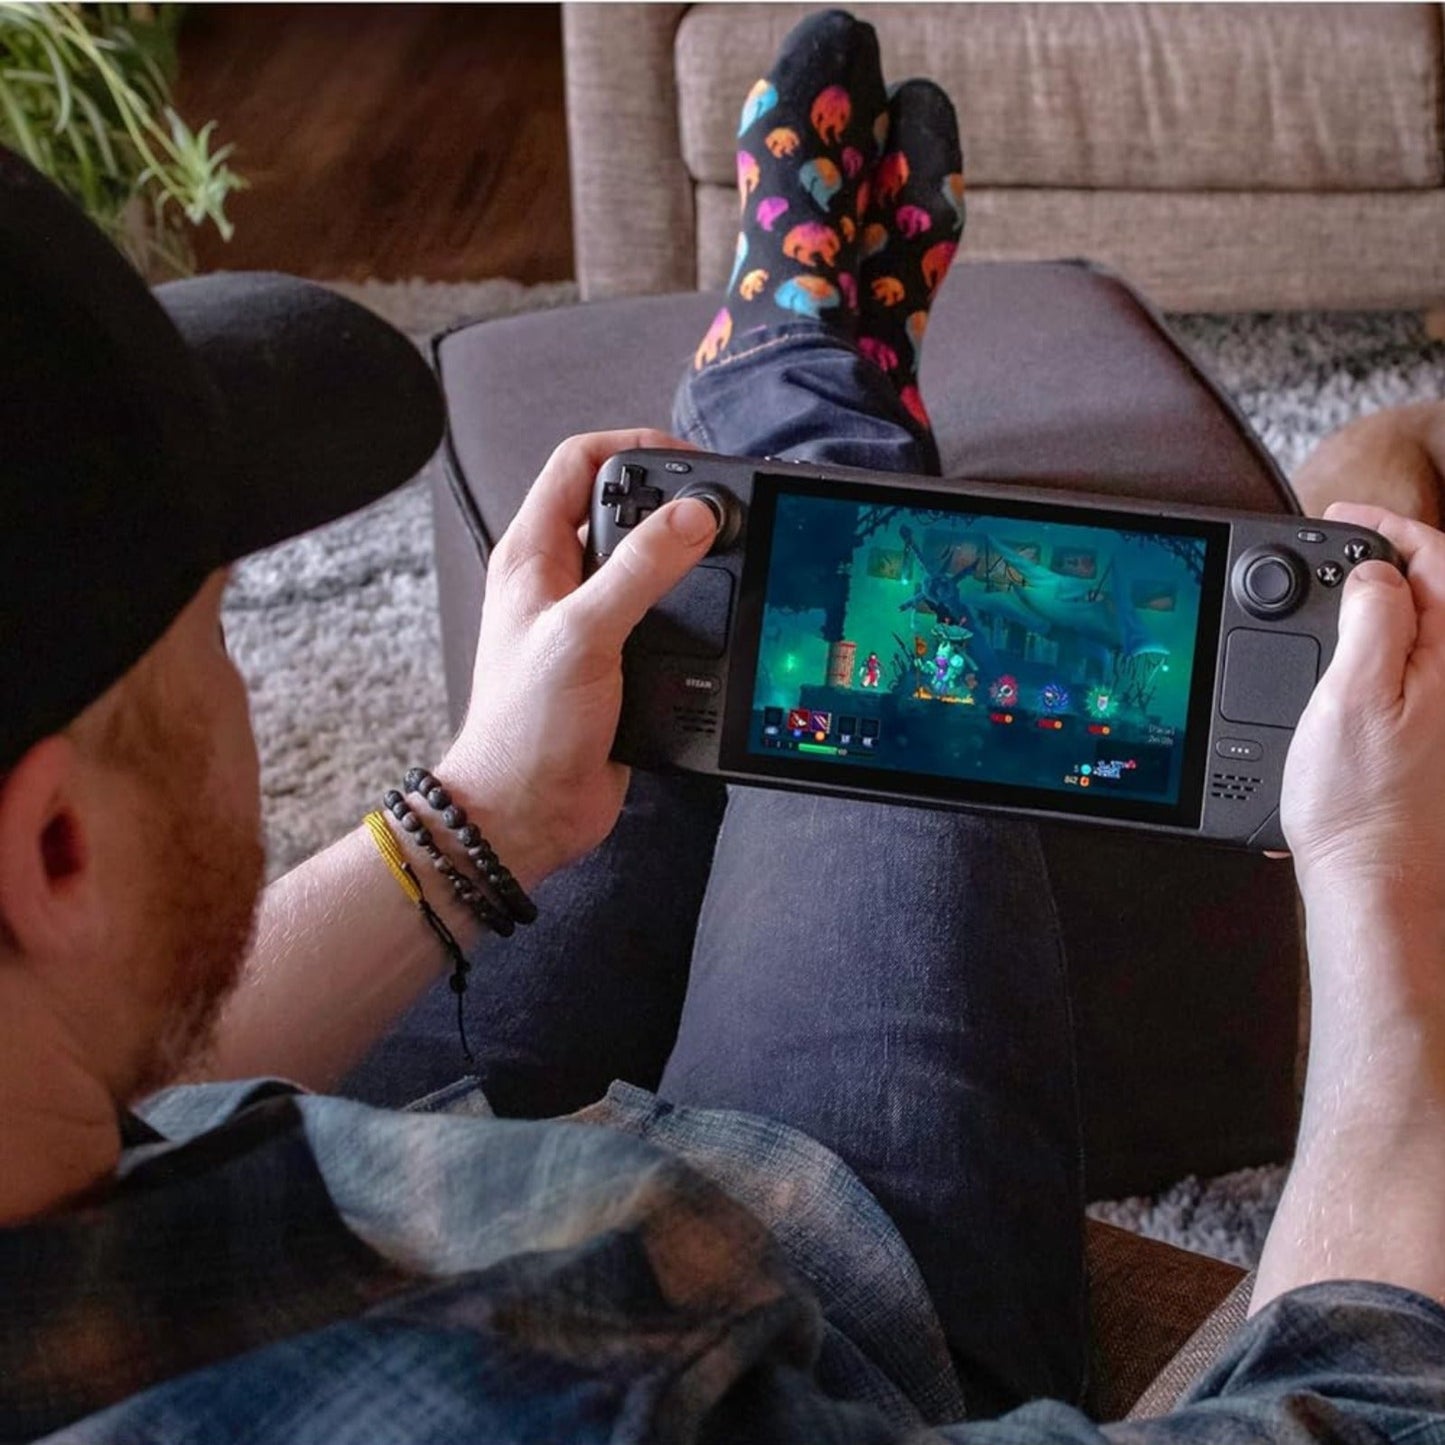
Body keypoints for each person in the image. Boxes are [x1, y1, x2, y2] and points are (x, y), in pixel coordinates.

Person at [3, 12, 1445, 1441]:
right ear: (56, 849)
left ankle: (802, 379)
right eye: (221, 628)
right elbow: (1358, 1410)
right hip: (812, 1325)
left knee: (687, 628)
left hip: (414, 1163)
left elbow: (115, 1073)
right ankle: (810, 381)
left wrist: (473, 817)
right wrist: (1390, 890)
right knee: (877, 621)